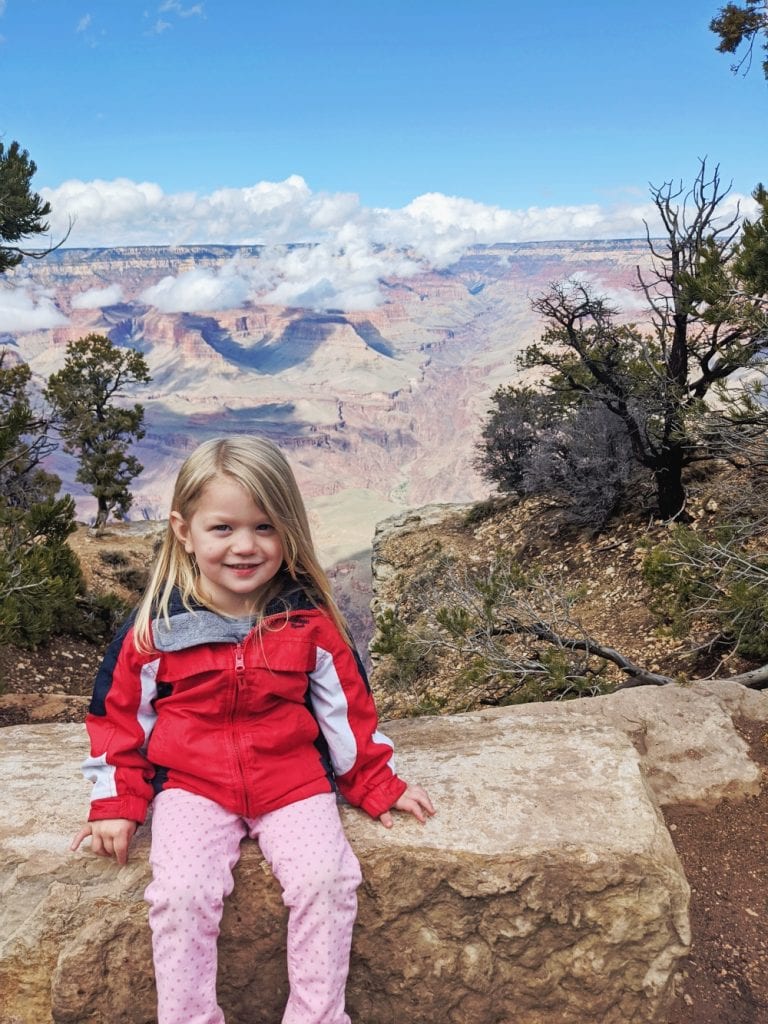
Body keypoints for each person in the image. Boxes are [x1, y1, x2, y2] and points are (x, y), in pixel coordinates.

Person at [71, 435, 435, 1024]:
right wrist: (116, 801)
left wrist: (374, 780)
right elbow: (117, 720)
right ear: (183, 531)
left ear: (289, 530)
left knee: (328, 881)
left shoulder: (305, 620)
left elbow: (348, 711)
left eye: (265, 527)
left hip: (292, 782)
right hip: (191, 785)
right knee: (180, 896)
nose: (245, 546)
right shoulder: (156, 628)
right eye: (223, 529)